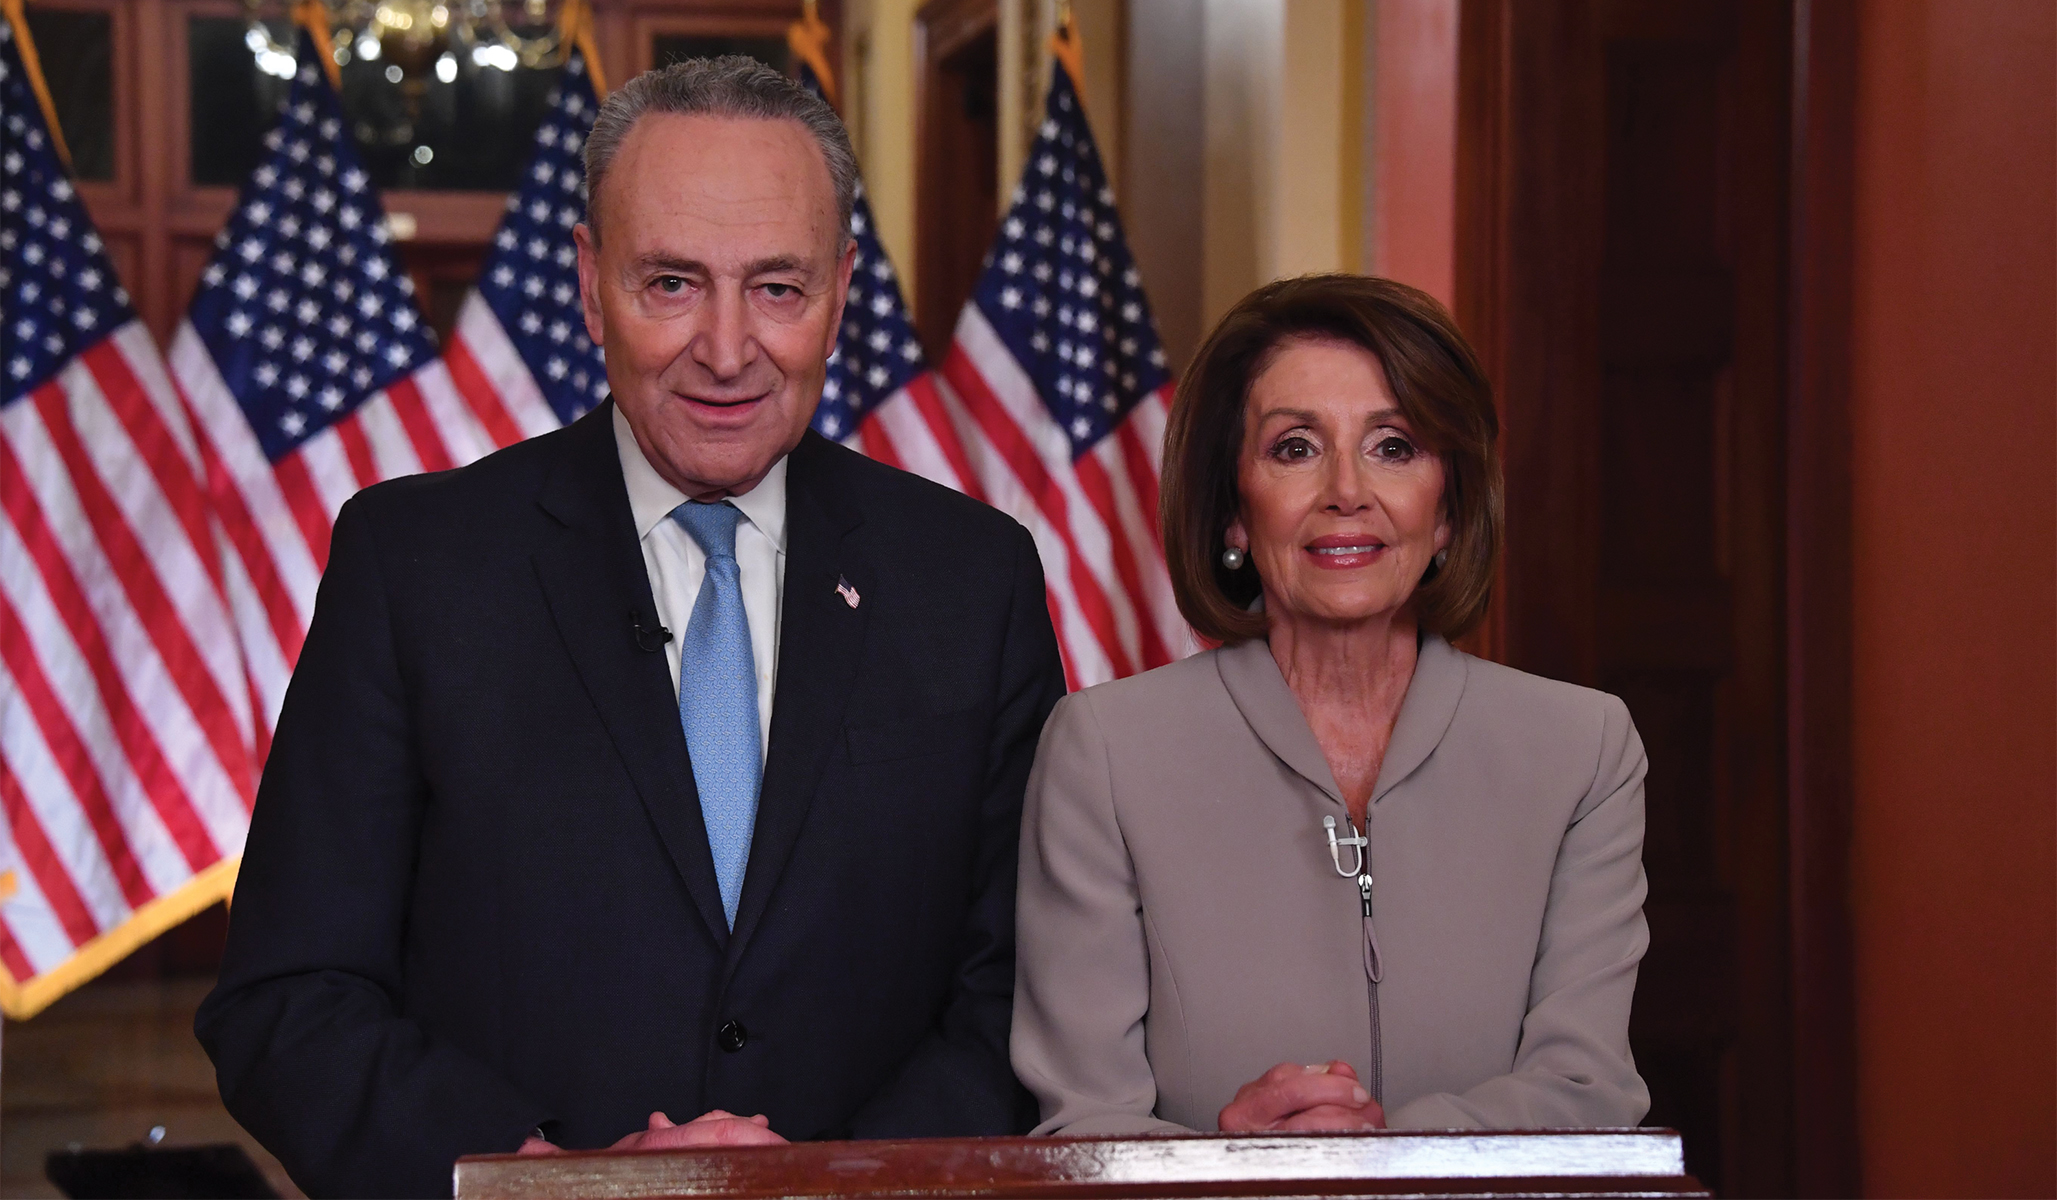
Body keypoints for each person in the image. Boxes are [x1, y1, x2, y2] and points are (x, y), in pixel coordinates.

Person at [197, 57, 1065, 1197]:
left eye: (777, 288)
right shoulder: (415, 568)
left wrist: (837, 1183)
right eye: (670, 283)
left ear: (841, 290)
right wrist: (543, 1183)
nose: (725, 348)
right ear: (588, 279)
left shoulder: (972, 580)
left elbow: (1025, 992)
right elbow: (289, 999)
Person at [1011, 274, 1650, 1135]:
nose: (1346, 490)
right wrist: (1233, 1171)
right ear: (1234, 513)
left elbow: (1587, 1092)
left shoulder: (1582, 748)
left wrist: (1370, 1159)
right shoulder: (1105, 751)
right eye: (1294, 448)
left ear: (1449, 509)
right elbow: (1080, 1124)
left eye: (1394, 446)